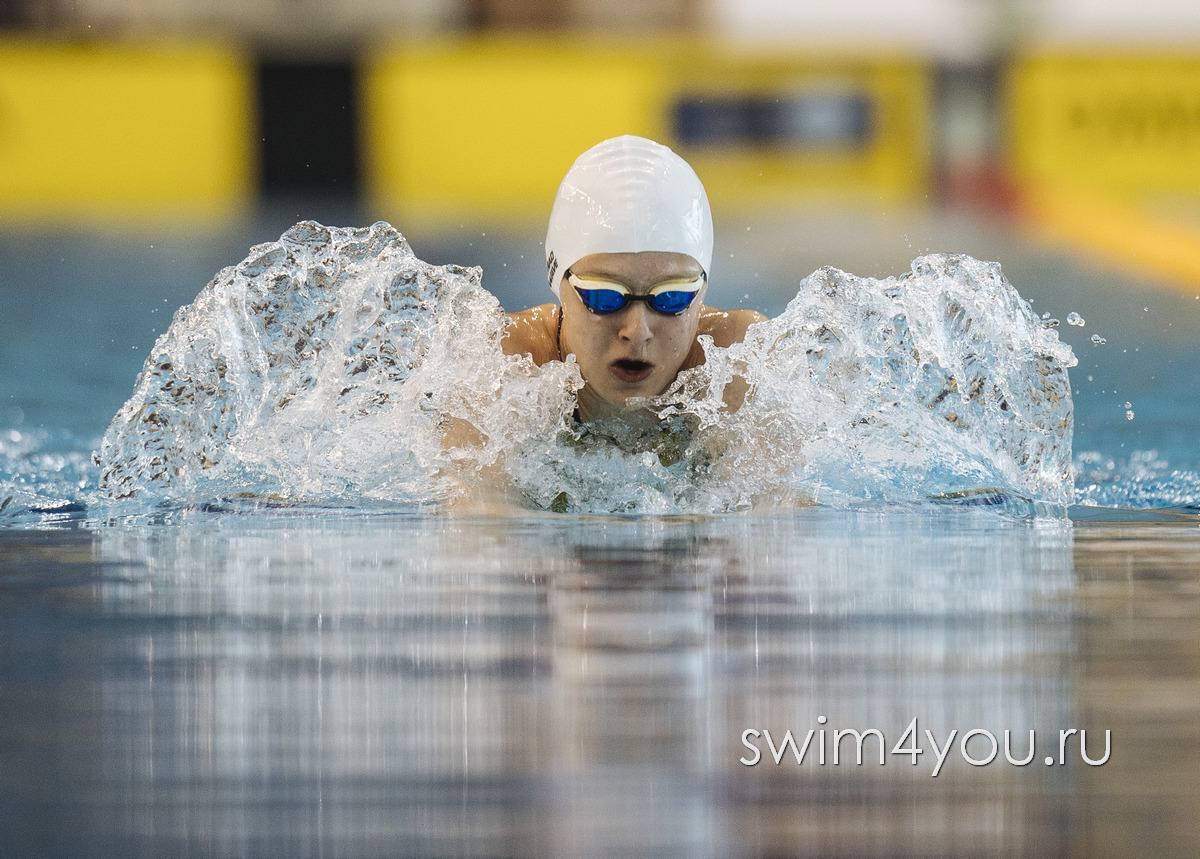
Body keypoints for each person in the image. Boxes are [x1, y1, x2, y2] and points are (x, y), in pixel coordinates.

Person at [501, 135, 766, 421]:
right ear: (558, 284)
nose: (638, 331)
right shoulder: (507, 370)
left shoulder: (737, 363)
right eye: (604, 297)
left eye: (671, 298)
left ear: (701, 294)